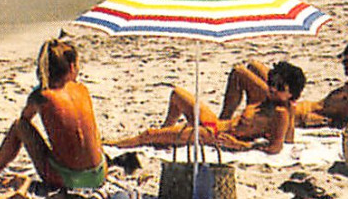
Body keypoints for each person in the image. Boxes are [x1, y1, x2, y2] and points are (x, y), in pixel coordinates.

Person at [0, 38, 106, 192]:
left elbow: (25, 119)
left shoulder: (41, 96)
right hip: (99, 174)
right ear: (71, 67)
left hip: (68, 179)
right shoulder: (82, 89)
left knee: (19, 126)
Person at [109, 61, 307, 156]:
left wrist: (240, 146)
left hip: (212, 135)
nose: (273, 89)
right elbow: (244, 71)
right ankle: (164, 135)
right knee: (177, 94)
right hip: (217, 123)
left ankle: (114, 144)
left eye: (281, 88)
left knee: (149, 134)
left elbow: (276, 147)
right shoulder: (266, 98)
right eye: (273, 83)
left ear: (292, 94)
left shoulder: (280, 113)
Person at [220, 42, 348, 129]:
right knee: (254, 66)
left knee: (239, 72)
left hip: (294, 111)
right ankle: (248, 111)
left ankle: (223, 119)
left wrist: (328, 121)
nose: (344, 65)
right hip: (296, 104)